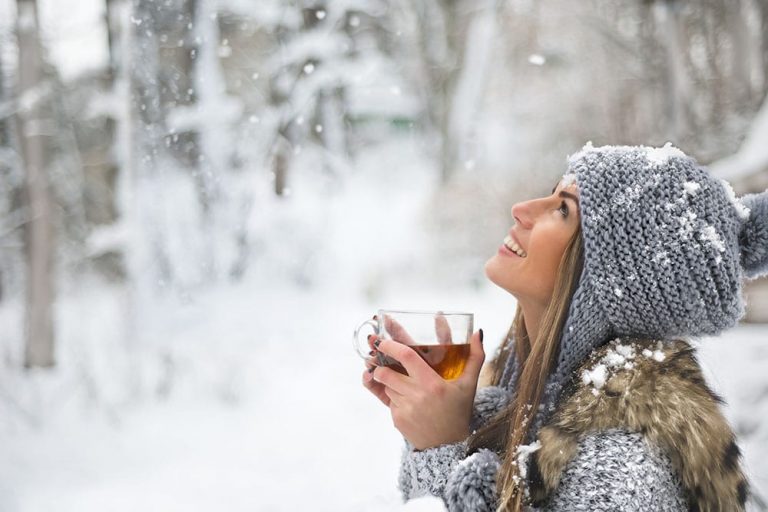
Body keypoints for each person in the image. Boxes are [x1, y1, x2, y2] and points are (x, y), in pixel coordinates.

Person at [361, 142, 768, 511]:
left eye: (563, 210)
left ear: (609, 281)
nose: (521, 208)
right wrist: (439, 427)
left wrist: (441, 447)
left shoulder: (621, 466)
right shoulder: (523, 403)